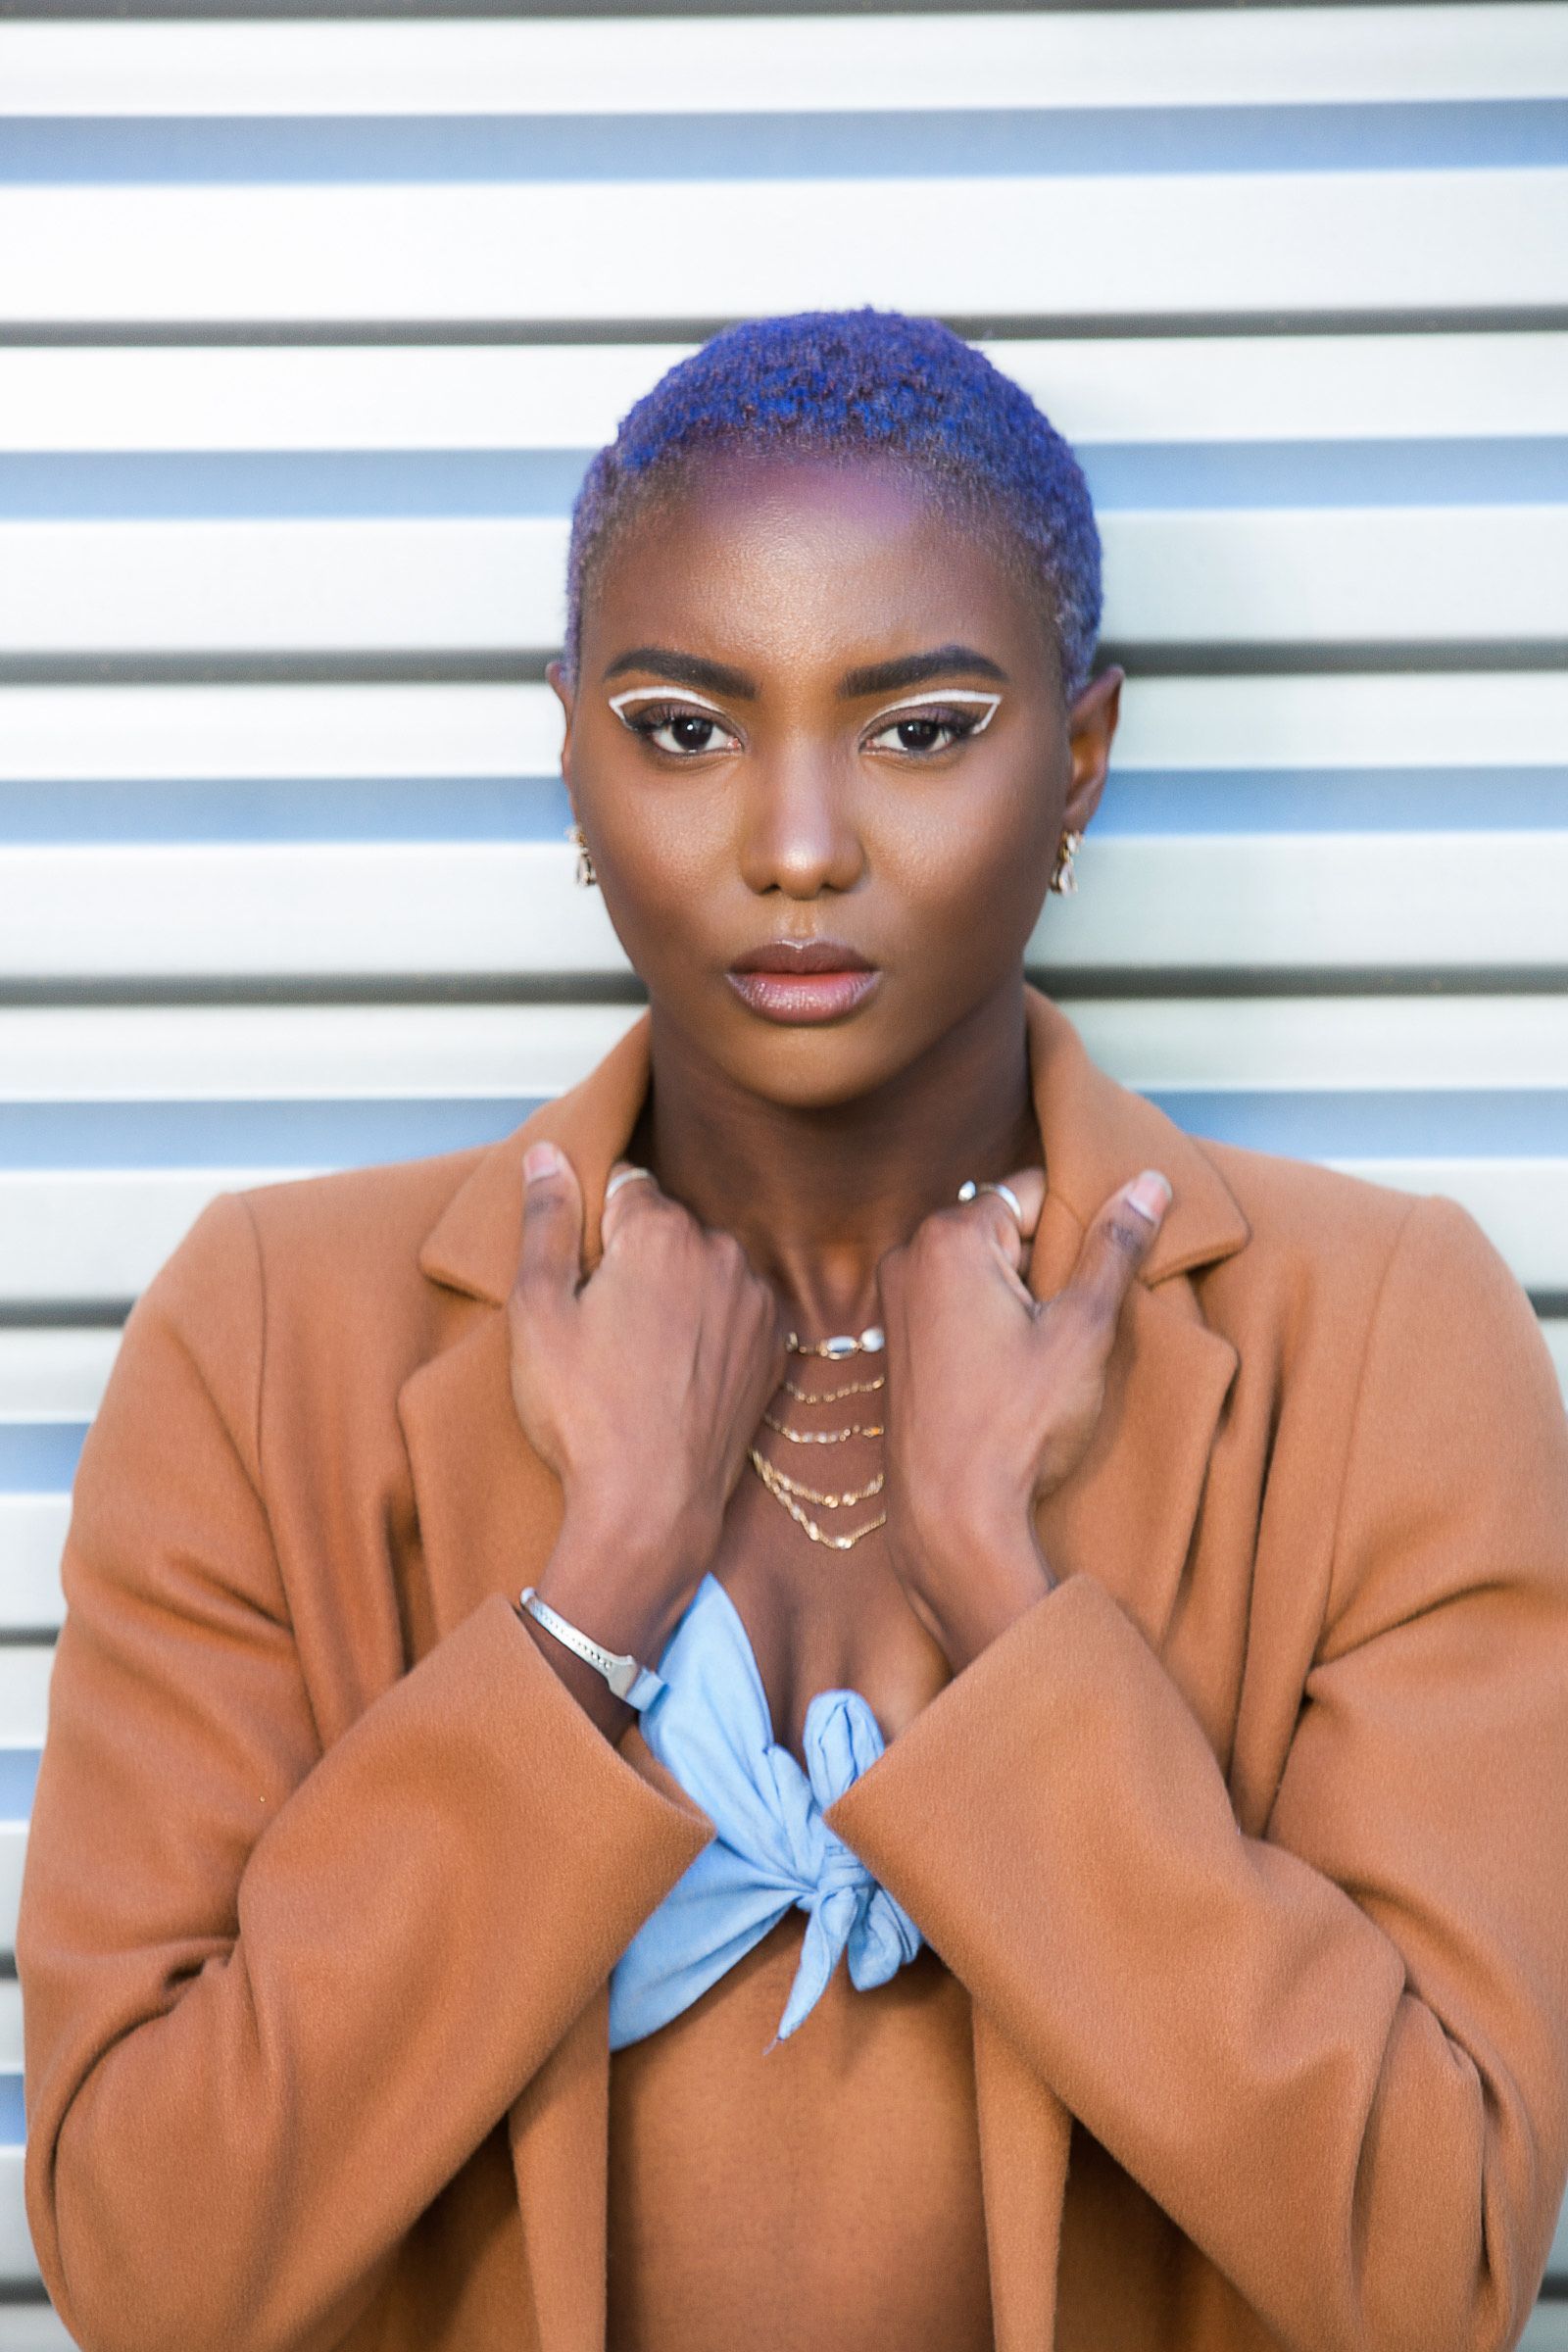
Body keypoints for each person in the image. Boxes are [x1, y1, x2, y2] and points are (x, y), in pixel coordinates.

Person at [18, 308, 1568, 2352]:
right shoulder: (269, 1335)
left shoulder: (1376, 1337)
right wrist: (589, 1605)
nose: (799, 846)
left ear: (1080, 755)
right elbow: (150, 2265)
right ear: (568, 752)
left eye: (918, 729)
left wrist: (1007, 1600)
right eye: (683, 728)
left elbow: (1431, 2257)